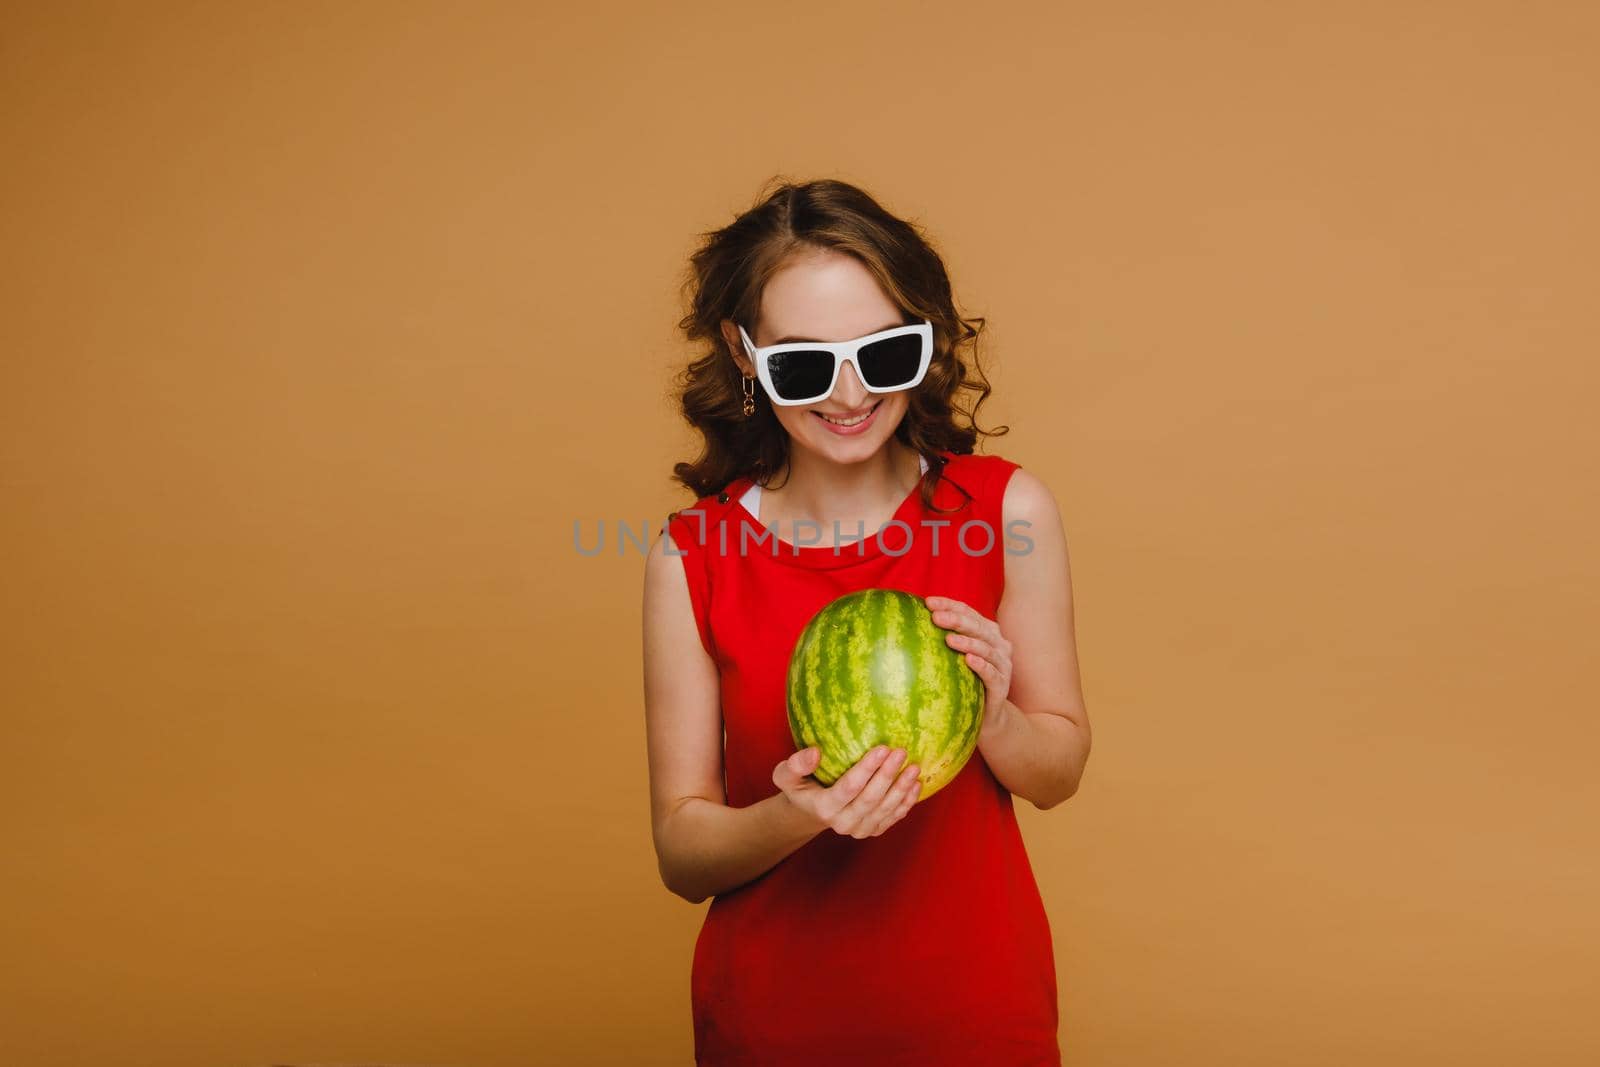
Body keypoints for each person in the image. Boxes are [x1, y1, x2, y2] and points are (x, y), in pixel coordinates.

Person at [642, 178, 1092, 1066]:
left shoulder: (1006, 511)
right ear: (744, 356)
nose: (849, 394)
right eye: (804, 363)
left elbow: (1059, 770)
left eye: (882, 352)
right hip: (774, 1021)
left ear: (922, 342)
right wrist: (801, 812)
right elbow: (682, 851)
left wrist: (995, 716)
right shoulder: (689, 555)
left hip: (975, 1011)